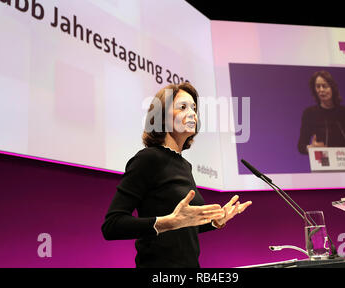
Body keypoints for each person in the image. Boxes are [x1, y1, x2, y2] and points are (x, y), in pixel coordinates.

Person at [101, 83, 252, 268]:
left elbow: (184, 226)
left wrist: (215, 221)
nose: (193, 113)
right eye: (183, 107)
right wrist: (167, 223)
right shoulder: (148, 159)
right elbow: (112, 225)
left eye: (194, 108)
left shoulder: (184, 165)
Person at [298, 70, 345, 155]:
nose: (321, 90)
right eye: (318, 87)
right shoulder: (309, 113)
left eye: (325, 86)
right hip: (323, 161)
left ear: (332, 88)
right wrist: (310, 148)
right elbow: (301, 146)